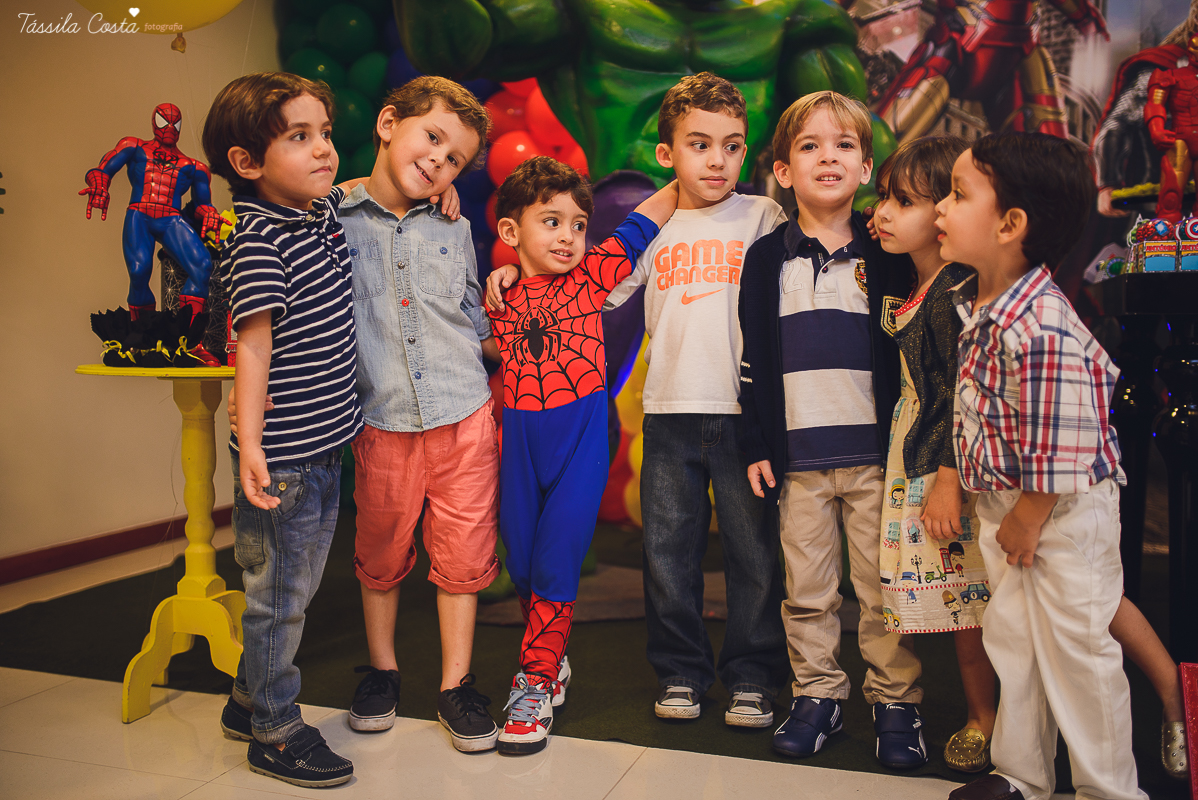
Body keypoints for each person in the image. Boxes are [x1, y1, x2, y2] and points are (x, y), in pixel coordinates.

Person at [488, 71, 791, 728]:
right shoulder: (653, 230)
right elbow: (588, 288)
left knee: (753, 553)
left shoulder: (763, 215)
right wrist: (516, 271)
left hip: (745, 416)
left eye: (732, 146)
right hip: (669, 411)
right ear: (667, 154)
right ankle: (681, 672)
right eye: (699, 144)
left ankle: (751, 677)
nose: (717, 159)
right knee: (667, 553)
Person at [937, 132, 1147, 800]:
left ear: (1010, 224)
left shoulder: (1042, 327)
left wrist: (1028, 518)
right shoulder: (990, 309)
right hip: (1016, 513)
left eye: (958, 193)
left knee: (1079, 655)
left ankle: (1110, 790)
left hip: (1059, 517)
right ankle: (1022, 774)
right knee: (1016, 644)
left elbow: (1064, 441)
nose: (943, 207)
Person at [737, 91, 925, 769]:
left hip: (876, 460)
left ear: (868, 167)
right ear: (783, 170)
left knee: (882, 589)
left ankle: (896, 702)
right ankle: (817, 694)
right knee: (808, 591)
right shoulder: (765, 261)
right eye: (810, 146)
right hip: (800, 460)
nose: (828, 157)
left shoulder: (889, 258)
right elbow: (753, 360)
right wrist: (757, 445)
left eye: (843, 145)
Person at [202, 71, 363, 788]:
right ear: (247, 163)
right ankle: (273, 729)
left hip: (325, 449)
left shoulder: (310, 211)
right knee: (279, 598)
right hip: (288, 462)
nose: (323, 149)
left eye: (324, 132)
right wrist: (254, 448)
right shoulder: (262, 239)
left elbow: (353, 188)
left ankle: (246, 700)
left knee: (293, 589)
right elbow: (254, 349)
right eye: (300, 137)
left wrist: (432, 184)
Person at [336, 76, 505, 753]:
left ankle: (455, 686)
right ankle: (382, 671)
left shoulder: (455, 225)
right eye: (432, 137)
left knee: (463, 555)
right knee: (379, 550)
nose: (440, 160)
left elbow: (468, 312)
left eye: (456, 157)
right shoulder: (331, 215)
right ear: (387, 124)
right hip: (381, 419)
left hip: (464, 413)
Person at [485, 156, 677, 754]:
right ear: (512, 233)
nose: (568, 235)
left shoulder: (592, 278)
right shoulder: (501, 296)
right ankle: (552, 656)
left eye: (577, 223)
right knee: (521, 557)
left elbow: (641, 223)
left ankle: (536, 679)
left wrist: (690, 174)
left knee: (557, 555)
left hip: (580, 433)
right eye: (551, 221)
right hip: (517, 434)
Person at [870, 135, 996, 773]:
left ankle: (988, 719)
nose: (884, 213)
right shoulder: (918, 279)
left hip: (946, 467)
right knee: (960, 603)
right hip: (914, 451)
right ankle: (986, 715)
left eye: (904, 202)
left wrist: (948, 479)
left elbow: (958, 393)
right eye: (883, 199)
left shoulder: (951, 289)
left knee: (973, 604)